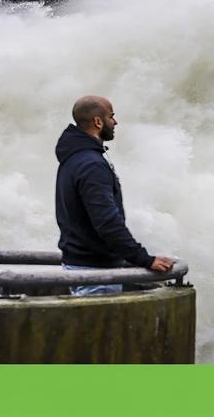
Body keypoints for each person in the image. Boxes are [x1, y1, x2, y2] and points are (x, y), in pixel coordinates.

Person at [55, 95, 174, 295]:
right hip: (95, 274)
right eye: (111, 116)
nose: (115, 122)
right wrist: (145, 259)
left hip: (79, 266)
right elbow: (107, 222)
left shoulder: (74, 158)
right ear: (98, 122)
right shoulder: (91, 165)